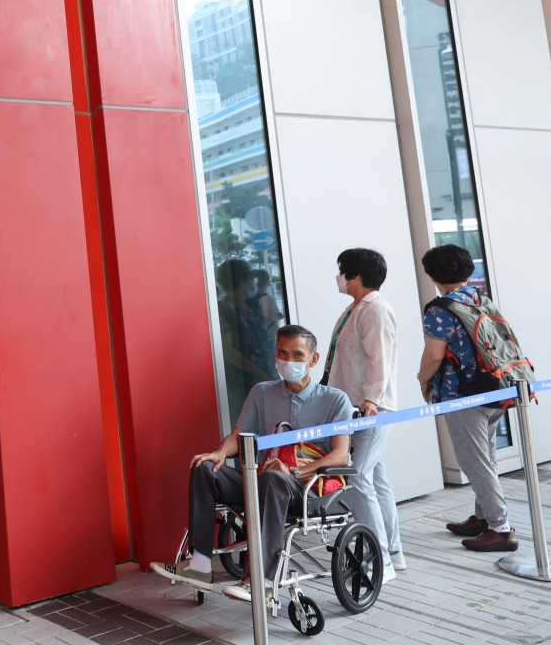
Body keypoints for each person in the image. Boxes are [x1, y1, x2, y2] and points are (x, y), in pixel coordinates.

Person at [150, 325, 353, 600]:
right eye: (283, 353)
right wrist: (221, 452)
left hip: (306, 488)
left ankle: (262, 579)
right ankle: (198, 566)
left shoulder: (334, 400)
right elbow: (238, 436)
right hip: (262, 480)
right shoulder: (262, 393)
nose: (289, 361)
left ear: (313, 360)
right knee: (205, 467)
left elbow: (340, 455)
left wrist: (293, 470)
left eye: (297, 354)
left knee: (274, 478)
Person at [417, 244, 518, 552]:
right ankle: (483, 517)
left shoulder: (439, 308)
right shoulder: (480, 298)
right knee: (484, 456)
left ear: (432, 275)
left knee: (474, 462)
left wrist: (423, 380)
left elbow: (434, 355)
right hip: (494, 385)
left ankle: (501, 529)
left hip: (461, 394)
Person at [322, 248, 404, 582]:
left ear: (356, 275)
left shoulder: (375, 310)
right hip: (353, 406)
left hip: (368, 408)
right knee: (376, 479)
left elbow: (379, 359)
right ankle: (394, 553)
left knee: (355, 476)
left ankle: (379, 559)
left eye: (342, 270)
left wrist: (370, 401)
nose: (339, 276)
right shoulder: (356, 309)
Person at [216, 259, 275, 427]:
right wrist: (256, 372)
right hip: (241, 383)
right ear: (242, 282)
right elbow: (228, 349)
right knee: (244, 429)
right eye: (249, 280)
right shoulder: (223, 309)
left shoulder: (251, 306)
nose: (252, 284)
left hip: (263, 378)